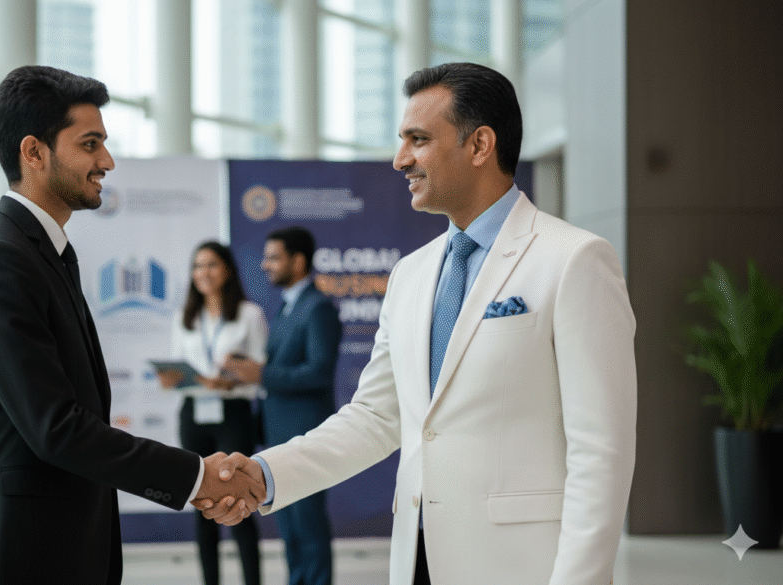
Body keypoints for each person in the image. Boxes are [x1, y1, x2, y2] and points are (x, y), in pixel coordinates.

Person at [210, 62, 637, 585]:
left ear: (480, 145)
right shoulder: (411, 274)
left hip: (522, 568)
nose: (399, 159)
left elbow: (601, 453)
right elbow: (375, 417)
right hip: (417, 560)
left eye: (418, 140)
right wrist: (268, 472)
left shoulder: (574, 260)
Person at [0, 65, 263, 585]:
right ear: (34, 152)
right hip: (15, 550)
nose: (106, 162)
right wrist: (196, 476)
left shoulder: (44, 254)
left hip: (59, 541)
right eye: (90, 145)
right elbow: (56, 428)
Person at [223, 226, 342, 585]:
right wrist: (249, 370)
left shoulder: (318, 307)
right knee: (290, 525)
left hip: (305, 431)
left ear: (298, 260)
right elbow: (280, 366)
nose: (265, 265)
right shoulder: (288, 306)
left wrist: (261, 374)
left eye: (273, 257)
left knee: (308, 524)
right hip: (279, 431)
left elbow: (319, 372)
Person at [157, 241, 267, 585]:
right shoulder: (184, 318)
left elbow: (259, 371)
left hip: (232, 411)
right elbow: (179, 368)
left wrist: (230, 383)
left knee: (240, 501)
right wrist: (172, 380)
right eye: (197, 266)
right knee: (201, 502)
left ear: (227, 270)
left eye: (211, 265)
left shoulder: (249, 314)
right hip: (193, 414)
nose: (203, 273)